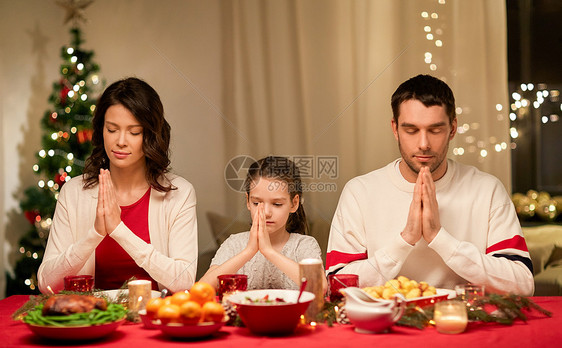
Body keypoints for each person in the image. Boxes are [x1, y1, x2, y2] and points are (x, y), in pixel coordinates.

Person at [325, 74, 534, 295]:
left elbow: (522, 283)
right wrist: (405, 240)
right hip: (389, 325)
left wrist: (440, 239)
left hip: (465, 321)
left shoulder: (487, 189)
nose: (423, 144)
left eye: (435, 130)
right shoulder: (360, 192)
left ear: (452, 129)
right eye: (411, 130)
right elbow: (337, 285)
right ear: (395, 128)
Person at [38, 77, 198, 293]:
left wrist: (119, 231)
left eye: (134, 132)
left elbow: (184, 283)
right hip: (93, 319)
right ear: (101, 130)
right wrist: (94, 233)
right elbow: (47, 284)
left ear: (150, 135)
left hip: (154, 318)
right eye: (112, 129)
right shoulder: (74, 192)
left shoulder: (179, 193)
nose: (121, 141)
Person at [200, 156, 325, 291]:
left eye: (277, 204)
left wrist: (269, 251)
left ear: (294, 203)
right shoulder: (234, 244)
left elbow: (320, 287)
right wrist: (248, 252)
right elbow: (202, 289)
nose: (266, 212)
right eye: (257, 203)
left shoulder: (304, 245)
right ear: (248, 201)